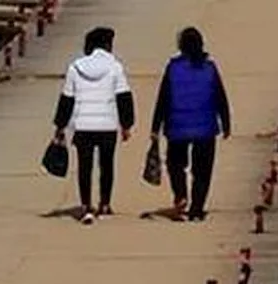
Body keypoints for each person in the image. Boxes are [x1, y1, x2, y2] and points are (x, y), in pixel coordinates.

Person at [53, 26, 135, 225]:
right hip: (107, 124)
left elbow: (67, 100)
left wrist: (60, 126)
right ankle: (105, 204)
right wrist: (126, 125)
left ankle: (86, 206)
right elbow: (124, 98)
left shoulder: (75, 67)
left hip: (82, 125)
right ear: (107, 45)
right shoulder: (115, 67)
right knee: (106, 165)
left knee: (84, 167)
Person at [149, 27, 231, 222]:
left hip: (177, 125)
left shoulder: (173, 67)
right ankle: (196, 208)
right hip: (205, 127)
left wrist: (155, 127)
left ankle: (181, 194)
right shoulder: (209, 68)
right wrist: (226, 122)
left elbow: (163, 99)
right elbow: (220, 97)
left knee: (175, 164)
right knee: (203, 170)